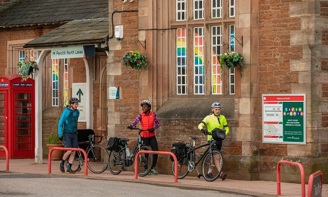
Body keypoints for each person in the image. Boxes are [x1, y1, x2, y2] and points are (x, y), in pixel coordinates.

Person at [198, 102, 229, 181]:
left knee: (213, 158)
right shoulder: (208, 117)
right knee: (216, 157)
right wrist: (203, 130)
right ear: (213, 109)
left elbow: (227, 128)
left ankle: (209, 173)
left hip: (219, 139)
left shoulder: (223, 117)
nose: (217, 111)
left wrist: (225, 134)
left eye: (219, 109)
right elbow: (200, 125)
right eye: (216, 109)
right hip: (211, 139)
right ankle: (221, 173)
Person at [127, 99, 160, 175]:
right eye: (142, 107)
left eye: (145, 106)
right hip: (144, 136)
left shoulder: (153, 115)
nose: (143, 108)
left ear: (149, 107)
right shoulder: (140, 115)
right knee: (146, 153)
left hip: (151, 136)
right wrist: (132, 126)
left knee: (156, 151)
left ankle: (153, 168)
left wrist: (153, 128)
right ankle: (146, 169)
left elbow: (158, 124)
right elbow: (135, 121)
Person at [58, 97, 80, 174]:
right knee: (69, 150)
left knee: (74, 151)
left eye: (77, 104)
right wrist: (60, 134)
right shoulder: (66, 112)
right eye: (75, 104)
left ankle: (69, 168)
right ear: (71, 104)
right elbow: (60, 123)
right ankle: (62, 162)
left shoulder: (77, 112)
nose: (76, 105)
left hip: (74, 133)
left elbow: (75, 122)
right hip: (67, 133)